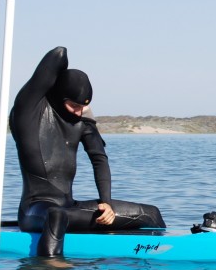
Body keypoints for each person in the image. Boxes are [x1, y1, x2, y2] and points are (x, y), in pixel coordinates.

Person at [10, 46, 165, 258]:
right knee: (56, 215)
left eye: (83, 106)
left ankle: (158, 251)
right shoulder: (29, 111)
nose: (79, 112)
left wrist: (107, 203)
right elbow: (58, 55)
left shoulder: (82, 121)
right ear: (59, 95)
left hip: (69, 208)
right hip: (35, 210)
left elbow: (99, 160)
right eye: (73, 105)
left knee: (151, 214)